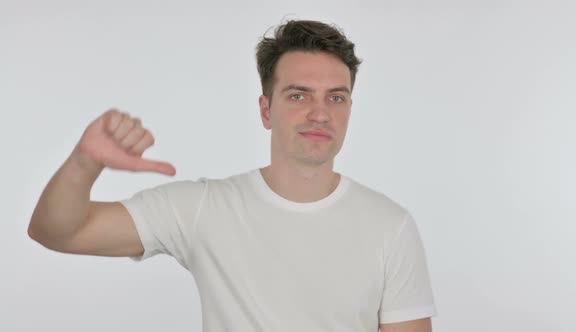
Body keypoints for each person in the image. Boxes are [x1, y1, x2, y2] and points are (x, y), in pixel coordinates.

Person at [28, 19, 437, 332]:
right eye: (298, 95)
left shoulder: (390, 226)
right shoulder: (204, 208)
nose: (320, 112)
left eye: (336, 97)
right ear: (265, 110)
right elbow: (58, 231)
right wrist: (84, 162)